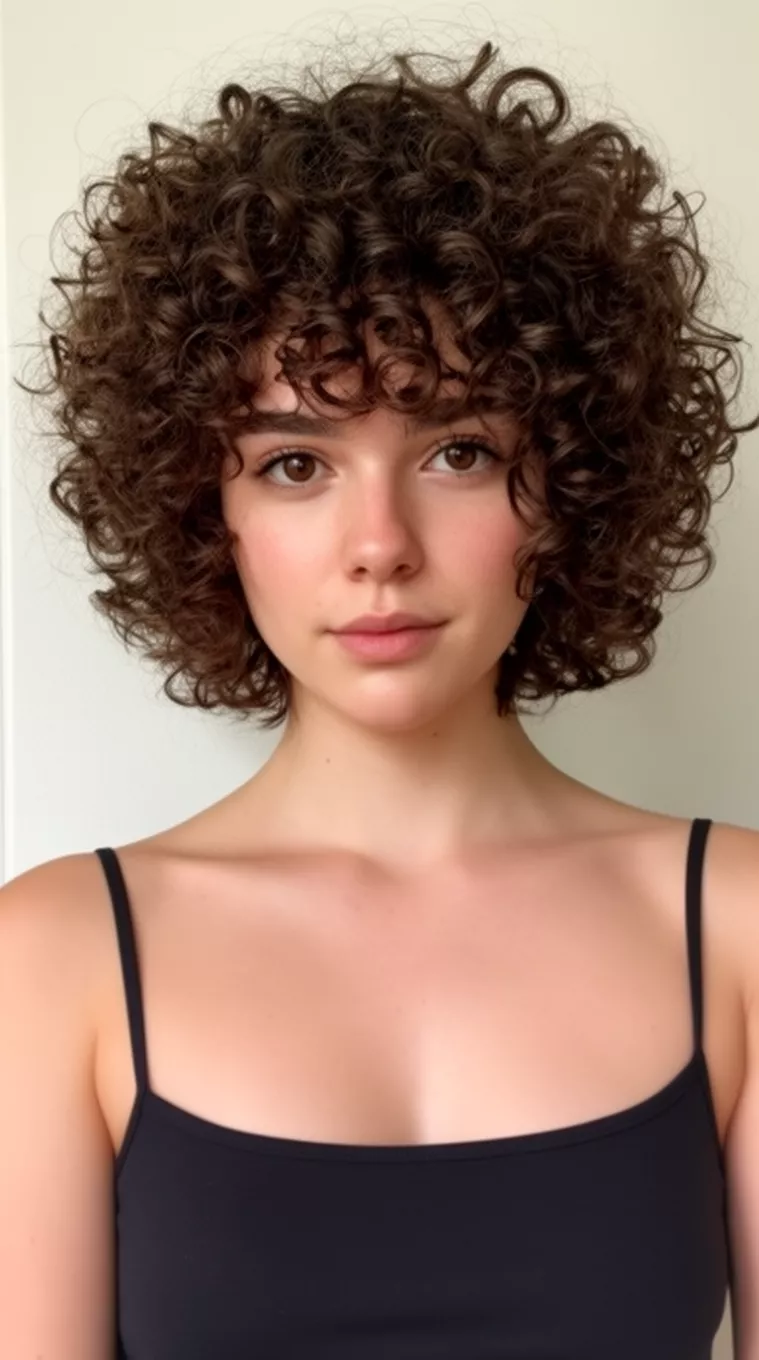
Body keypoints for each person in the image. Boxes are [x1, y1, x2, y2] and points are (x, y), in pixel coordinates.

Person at [2, 37, 758, 1360]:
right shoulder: (57, 956)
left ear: (571, 476)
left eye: (457, 450)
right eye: (295, 463)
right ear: (208, 509)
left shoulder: (737, 931)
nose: (379, 543)